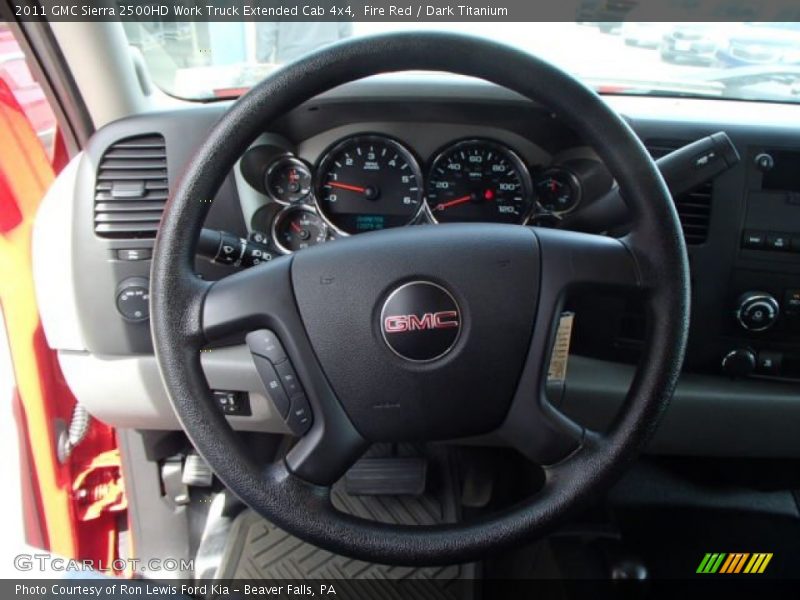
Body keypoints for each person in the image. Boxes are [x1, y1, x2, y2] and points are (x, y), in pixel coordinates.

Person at [256, 22, 354, 65]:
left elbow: (266, 30)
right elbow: (345, 29)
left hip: (290, 65)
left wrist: (262, 63)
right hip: (329, 61)